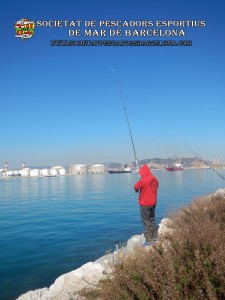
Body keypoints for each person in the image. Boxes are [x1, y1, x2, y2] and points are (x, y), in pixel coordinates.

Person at [134, 164, 159, 246]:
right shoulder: (155, 179)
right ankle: (156, 238)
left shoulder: (143, 180)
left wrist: (138, 188)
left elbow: (135, 186)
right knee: (152, 220)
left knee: (146, 222)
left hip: (145, 204)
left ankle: (149, 241)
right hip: (153, 203)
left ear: (142, 173)